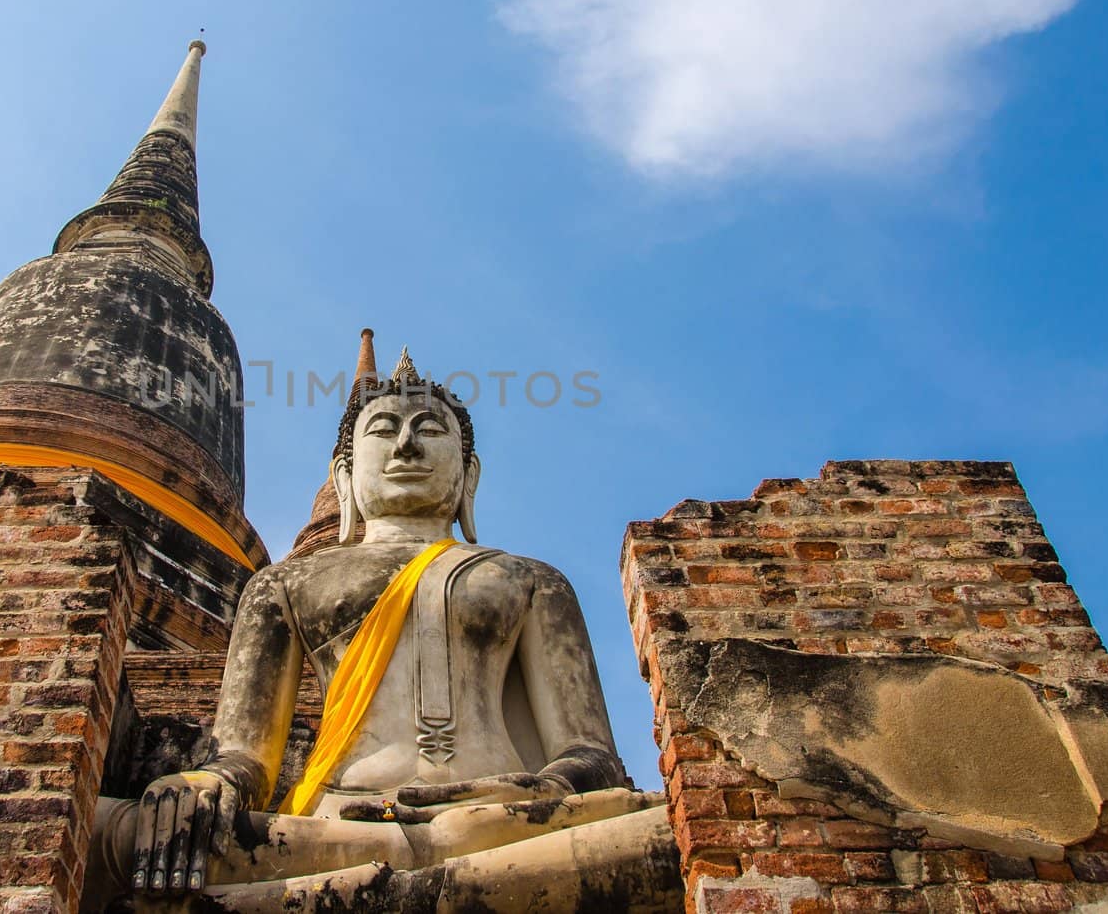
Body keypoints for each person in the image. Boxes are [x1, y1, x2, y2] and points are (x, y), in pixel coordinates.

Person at [90, 349, 678, 912]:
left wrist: (540, 794)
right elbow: (243, 759)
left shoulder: (530, 580)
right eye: (383, 430)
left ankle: (410, 874)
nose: (406, 444)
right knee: (118, 833)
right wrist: (209, 783)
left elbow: (590, 757)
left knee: (673, 838)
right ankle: (436, 878)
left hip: (505, 822)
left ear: (469, 475)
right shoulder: (282, 586)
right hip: (334, 826)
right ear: (345, 477)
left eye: (430, 428)